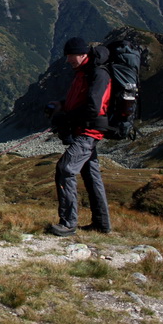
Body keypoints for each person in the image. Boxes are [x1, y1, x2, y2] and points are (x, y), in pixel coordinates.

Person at [46, 37, 113, 236]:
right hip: (82, 130)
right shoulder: (83, 73)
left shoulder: (98, 74)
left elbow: (93, 108)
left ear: (83, 54)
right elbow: (77, 101)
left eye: (70, 56)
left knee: (65, 168)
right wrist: (60, 104)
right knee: (92, 177)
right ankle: (102, 224)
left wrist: (65, 117)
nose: (68, 60)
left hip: (88, 132)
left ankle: (68, 223)